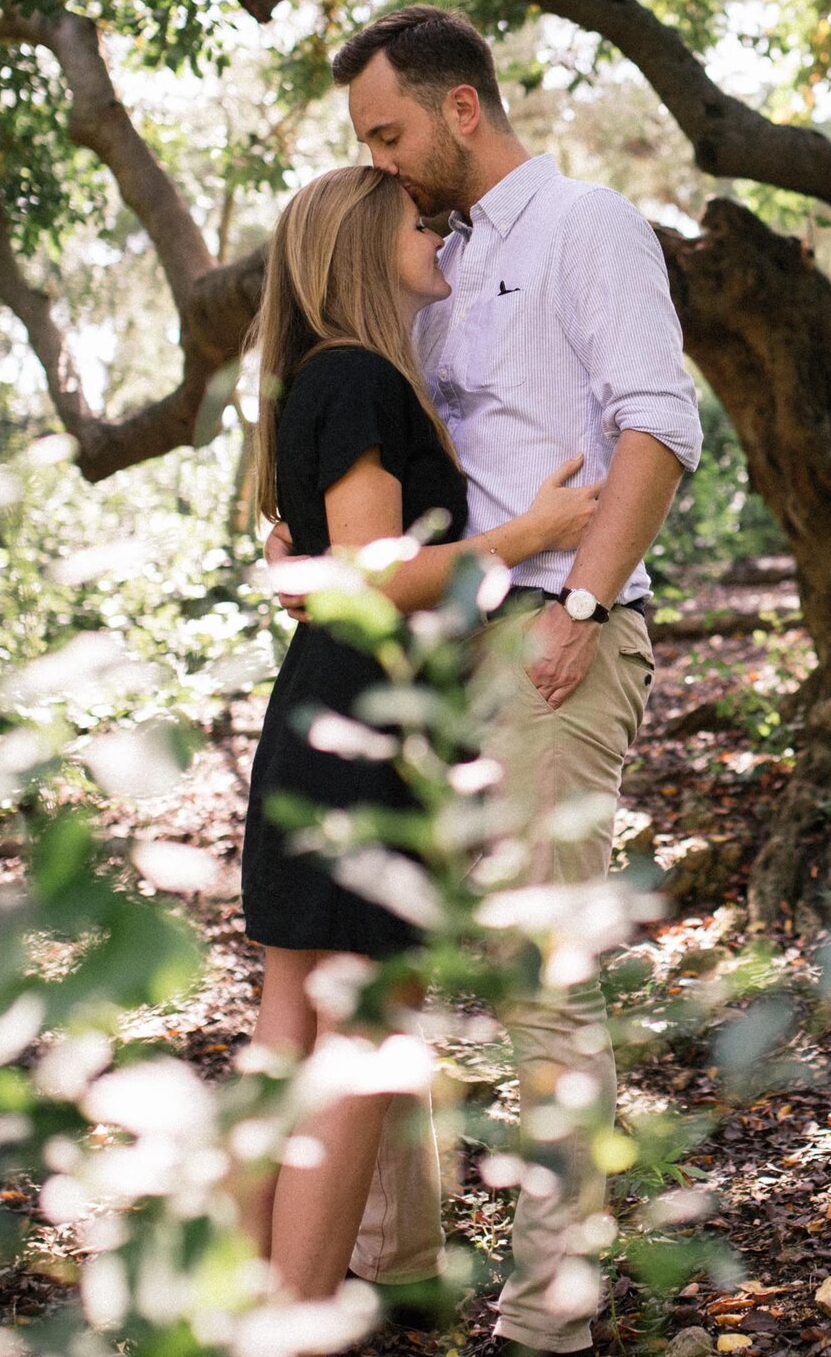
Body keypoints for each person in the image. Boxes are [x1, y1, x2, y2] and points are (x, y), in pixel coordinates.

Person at [277, 5, 702, 1355]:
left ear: (463, 108)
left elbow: (657, 424)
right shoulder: (423, 270)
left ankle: (546, 1316)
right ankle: (400, 1258)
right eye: (366, 142)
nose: (382, 159)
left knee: (539, 973)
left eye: (389, 130)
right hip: (430, 649)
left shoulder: (590, 228)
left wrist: (578, 600)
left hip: (547, 636)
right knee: (404, 956)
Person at [237, 163, 603, 1306]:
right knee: (349, 1042)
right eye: (415, 218)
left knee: (292, 1031)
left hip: (329, 719)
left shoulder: (326, 377)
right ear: (358, 246)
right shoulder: (353, 377)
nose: (437, 228)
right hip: (361, 733)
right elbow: (373, 576)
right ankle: (290, 1322)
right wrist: (531, 531)